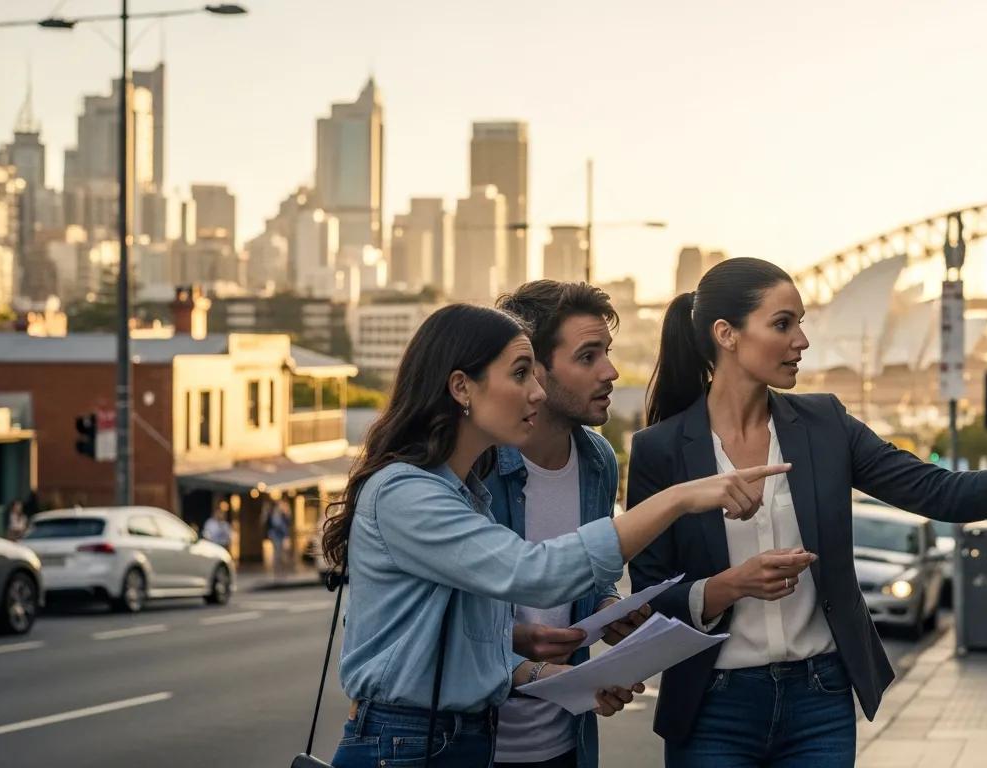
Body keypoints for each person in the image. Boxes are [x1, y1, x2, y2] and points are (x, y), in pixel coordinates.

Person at [627, 258, 987, 766]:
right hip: (711, 707)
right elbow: (652, 599)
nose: (802, 340)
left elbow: (935, 490)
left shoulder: (825, 424)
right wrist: (731, 585)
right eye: (783, 324)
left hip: (819, 700)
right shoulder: (661, 450)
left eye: (802, 322)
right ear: (727, 334)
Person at [323, 303, 790, 768]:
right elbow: (534, 572)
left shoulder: (468, 493)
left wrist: (559, 675)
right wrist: (678, 499)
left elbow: (462, 649)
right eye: (521, 374)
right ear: (461, 386)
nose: (537, 393)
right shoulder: (406, 493)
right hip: (404, 745)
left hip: (462, 740)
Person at [487, 281, 650, 768]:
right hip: (476, 740)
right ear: (533, 370)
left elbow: (592, 578)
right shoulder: (477, 463)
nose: (610, 371)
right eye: (587, 357)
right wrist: (521, 647)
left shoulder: (598, 459)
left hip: (564, 742)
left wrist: (610, 608)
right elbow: (444, 622)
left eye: (608, 352)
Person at [265, 499, 291, 574]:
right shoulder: (274, 514)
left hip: (283, 535)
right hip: (276, 536)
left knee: (283, 552)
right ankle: (277, 568)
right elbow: (274, 525)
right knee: (277, 552)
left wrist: (287, 513)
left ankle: (282, 568)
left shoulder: (283, 514)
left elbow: (288, 523)